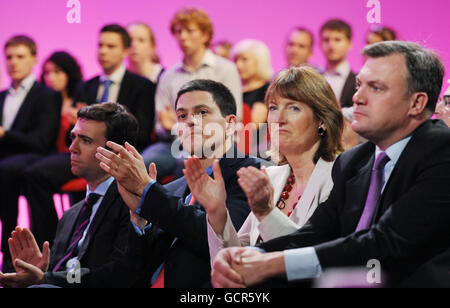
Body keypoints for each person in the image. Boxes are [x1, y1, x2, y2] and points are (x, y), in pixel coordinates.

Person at [211, 41, 450, 288]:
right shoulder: (355, 161)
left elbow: (384, 243)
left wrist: (271, 264)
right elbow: (315, 234)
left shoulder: (442, 151)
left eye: (376, 88)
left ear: (417, 103)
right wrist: (253, 255)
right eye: (359, 85)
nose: (358, 97)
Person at [95, 79, 261, 287]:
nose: (190, 121)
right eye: (182, 115)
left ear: (230, 124)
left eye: (202, 112)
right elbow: (133, 270)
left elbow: (219, 239)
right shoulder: (171, 189)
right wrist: (140, 223)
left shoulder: (252, 172)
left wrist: (147, 191)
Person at [182, 66, 343, 264]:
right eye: (274, 108)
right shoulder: (271, 176)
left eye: (293, 107)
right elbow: (238, 258)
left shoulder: (339, 177)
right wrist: (217, 213)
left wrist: (267, 212)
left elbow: (312, 259)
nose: (279, 119)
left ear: (322, 120)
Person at [21, 24, 156, 249]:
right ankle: (51, 245)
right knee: (33, 173)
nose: (103, 51)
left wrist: (107, 128)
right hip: (86, 148)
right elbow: (72, 133)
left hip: (119, 151)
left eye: (110, 46)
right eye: (100, 45)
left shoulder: (142, 86)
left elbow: (141, 131)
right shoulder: (87, 86)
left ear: (125, 51)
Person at [0, 102, 143, 288]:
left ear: (116, 152)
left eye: (85, 140)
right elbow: (64, 276)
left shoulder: (132, 206)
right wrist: (42, 271)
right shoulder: (71, 215)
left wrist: (47, 279)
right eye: (73, 137)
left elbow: (117, 275)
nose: (72, 148)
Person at [140, 7, 242, 181]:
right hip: (173, 142)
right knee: (141, 163)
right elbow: (161, 124)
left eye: (189, 31)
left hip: (213, 140)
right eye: (179, 31)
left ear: (204, 35)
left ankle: (185, 207)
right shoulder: (169, 76)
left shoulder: (225, 69)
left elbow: (232, 117)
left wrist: (180, 120)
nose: (183, 37)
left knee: (188, 162)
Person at [0, 35, 61, 271]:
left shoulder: (47, 95)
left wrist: (5, 135)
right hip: (8, 159)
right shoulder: (2, 96)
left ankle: (9, 249)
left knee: (6, 170)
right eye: (9, 57)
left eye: (20, 56)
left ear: (34, 59)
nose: (14, 62)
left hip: (36, 157)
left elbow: (42, 140)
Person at [230, 39, 273, 156]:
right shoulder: (232, 88)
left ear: (259, 62)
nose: (238, 65)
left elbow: (253, 124)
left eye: (244, 60)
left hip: (255, 150)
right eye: (236, 60)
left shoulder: (268, 89)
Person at [320, 19, 356, 108]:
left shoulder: (359, 81)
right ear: (320, 43)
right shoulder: (312, 78)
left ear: (349, 43)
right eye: (326, 40)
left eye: (337, 39)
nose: (331, 45)